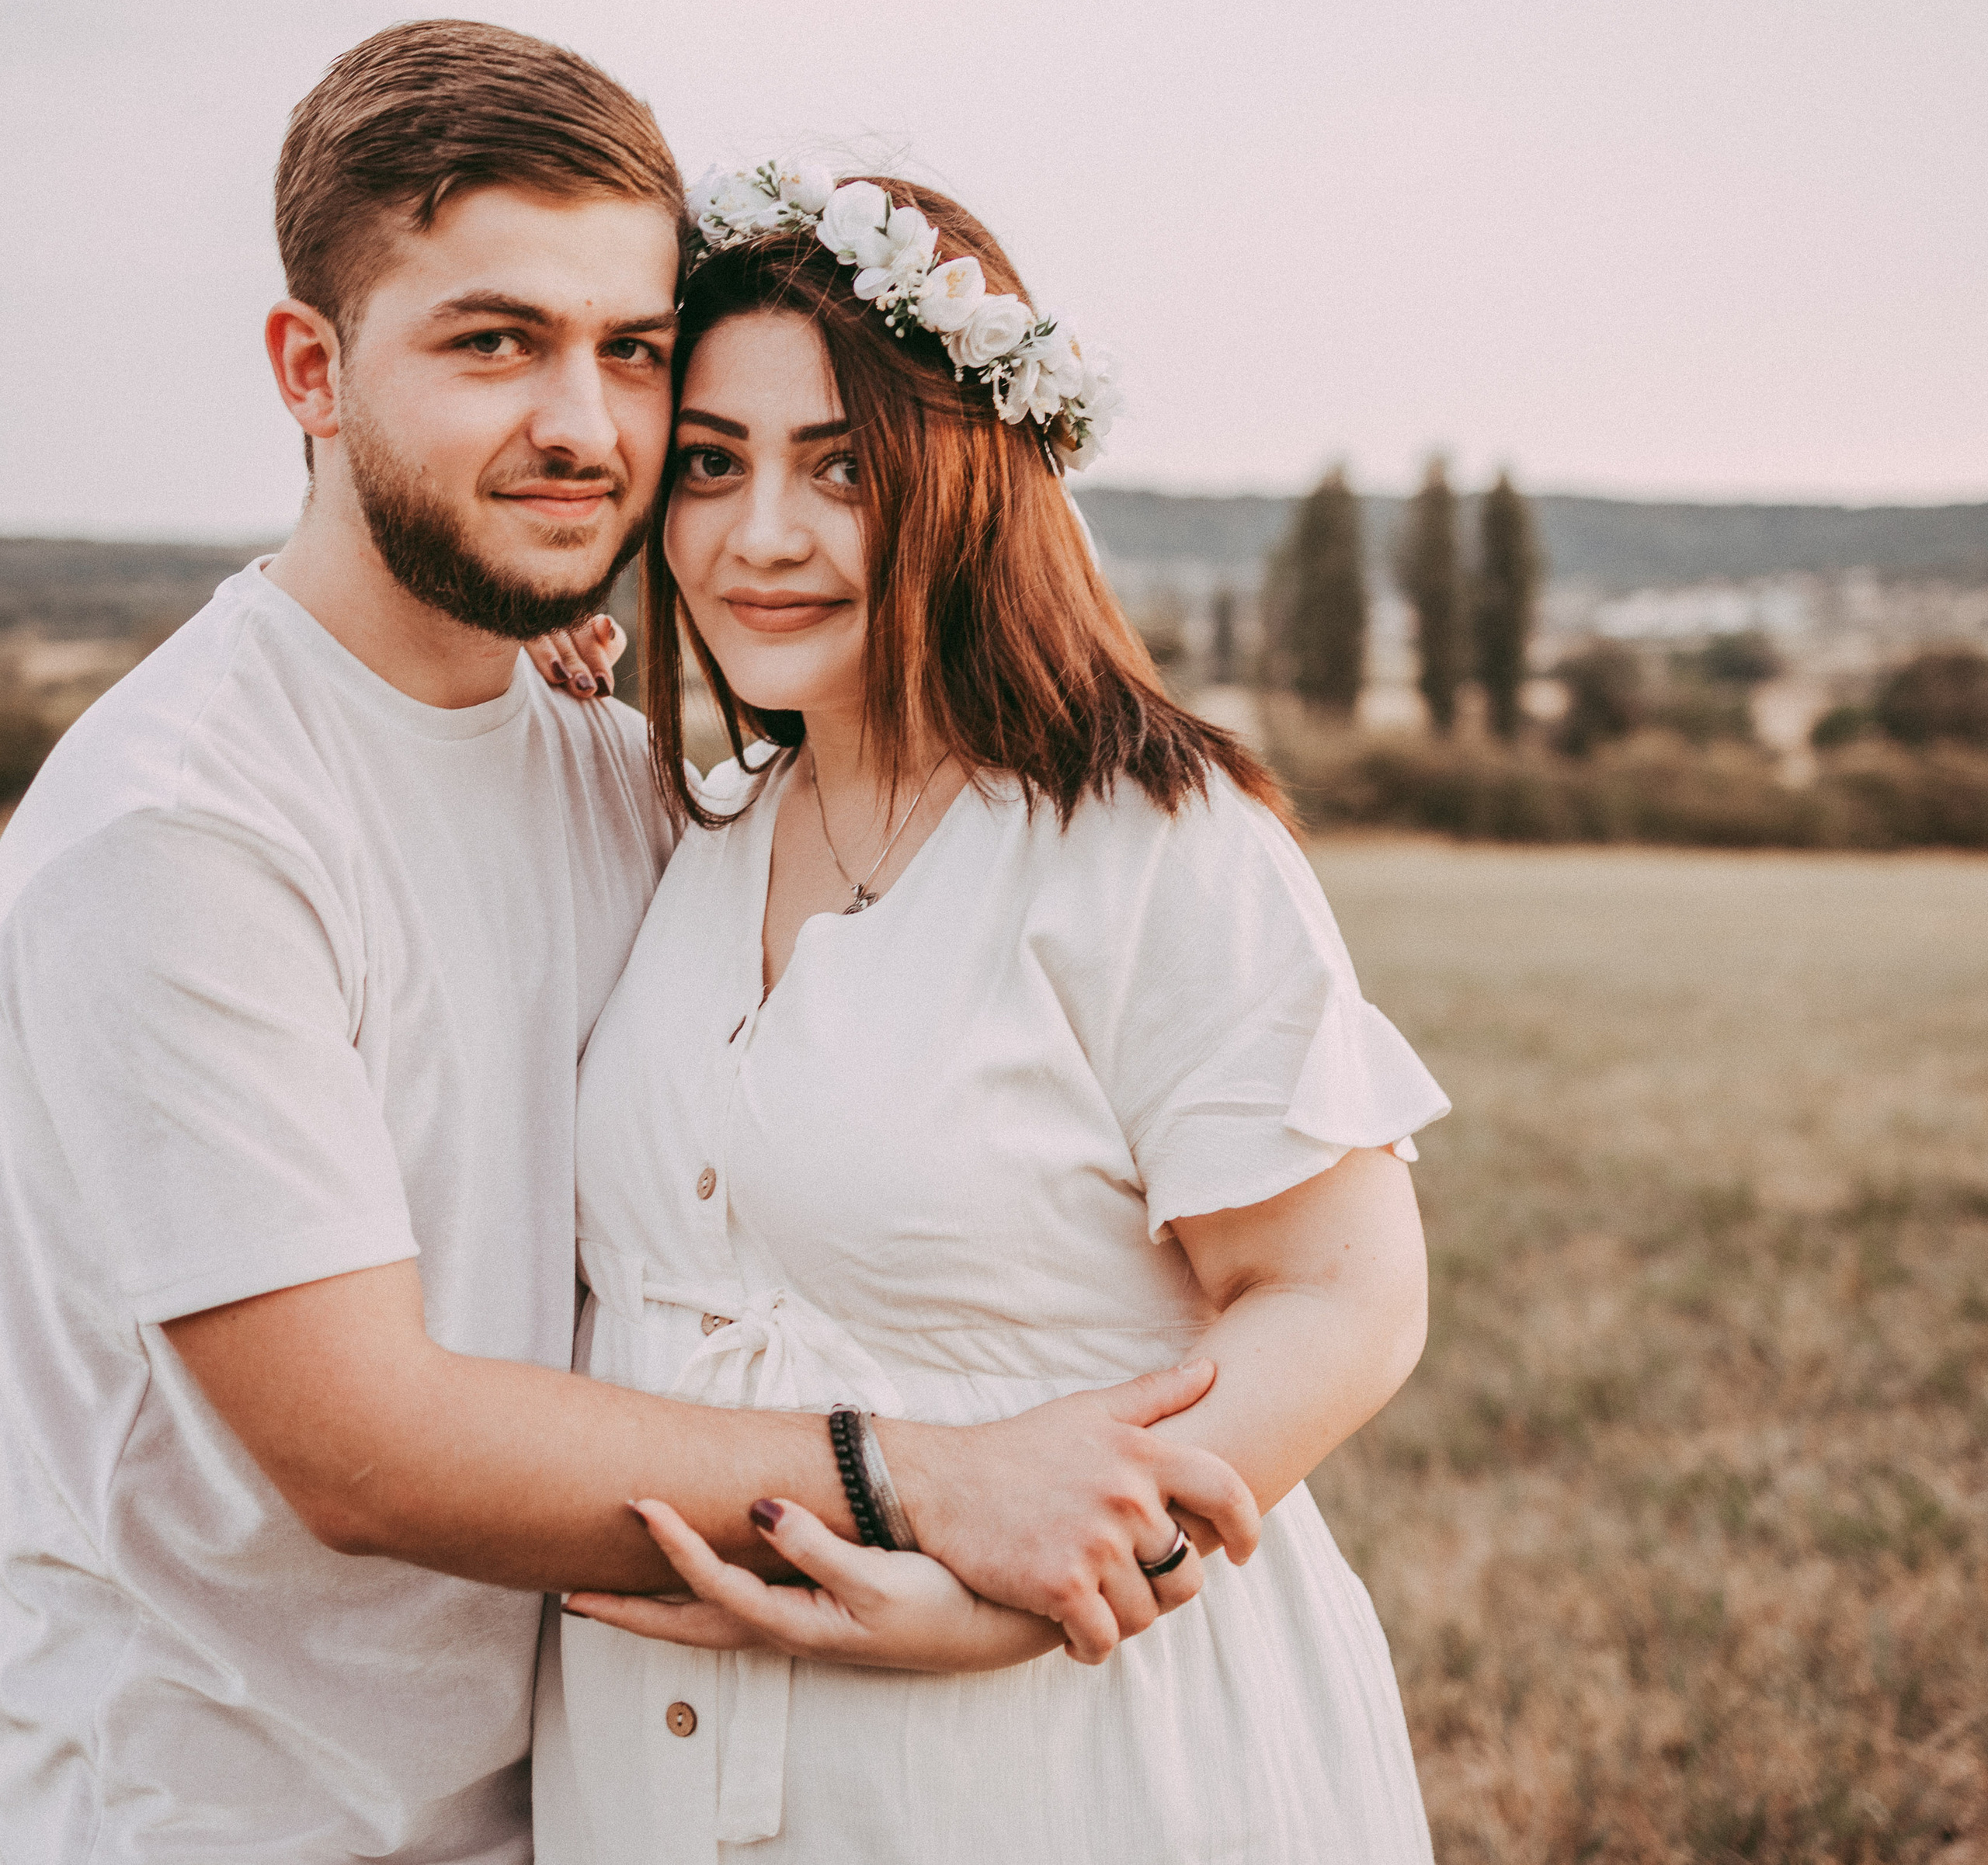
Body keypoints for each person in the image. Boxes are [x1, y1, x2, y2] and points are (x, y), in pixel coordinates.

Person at [0, 26, 1257, 1865]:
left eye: (634, 350)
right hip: (227, 1807)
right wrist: (924, 1477)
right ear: (310, 369)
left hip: (579, 1796)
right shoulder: (185, 822)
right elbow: (364, 1447)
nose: (585, 426)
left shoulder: (615, 763)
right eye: (494, 342)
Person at [526, 164, 1453, 1863]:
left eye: (842, 467)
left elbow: (1339, 1288)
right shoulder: (692, 828)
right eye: (711, 463)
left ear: (965, 475)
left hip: (1064, 1763)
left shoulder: (1150, 844)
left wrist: (1036, 1598)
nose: (760, 536)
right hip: (662, 1782)